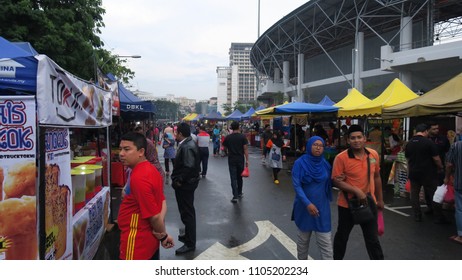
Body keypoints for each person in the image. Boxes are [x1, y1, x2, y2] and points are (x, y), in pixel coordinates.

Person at [117, 132, 174, 260]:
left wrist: (163, 235)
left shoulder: (139, 178)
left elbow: (154, 217)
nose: (121, 153)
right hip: (148, 241)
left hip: (137, 242)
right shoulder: (151, 170)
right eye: (120, 149)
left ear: (141, 151)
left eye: (127, 149)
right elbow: (162, 203)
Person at [331, 124, 384, 260]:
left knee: (373, 240)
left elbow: (377, 177)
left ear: (364, 138)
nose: (356, 140)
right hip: (347, 205)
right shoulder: (341, 158)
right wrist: (356, 191)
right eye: (353, 138)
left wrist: (380, 199)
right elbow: (336, 181)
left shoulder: (373, 155)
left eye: (359, 137)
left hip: (369, 203)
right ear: (348, 140)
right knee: (342, 237)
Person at [291, 136, 333, 260]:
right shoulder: (300, 163)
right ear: (309, 146)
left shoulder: (325, 163)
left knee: (326, 245)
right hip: (304, 208)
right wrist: (307, 204)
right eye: (315, 144)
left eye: (321, 145)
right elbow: (297, 185)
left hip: (322, 209)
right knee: (303, 243)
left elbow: (329, 182)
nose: (318, 147)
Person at [405, 123, 447, 223]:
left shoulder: (409, 143)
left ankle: (417, 215)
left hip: (414, 173)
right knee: (433, 194)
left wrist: (409, 172)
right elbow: (436, 158)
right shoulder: (428, 142)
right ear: (426, 131)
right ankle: (438, 216)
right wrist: (441, 167)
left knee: (414, 195)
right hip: (428, 173)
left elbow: (407, 159)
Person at [171, 123, 201, 254]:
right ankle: (188, 236)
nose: (174, 135)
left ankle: (190, 243)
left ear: (181, 134)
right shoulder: (186, 143)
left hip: (186, 184)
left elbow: (189, 167)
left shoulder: (188, 146)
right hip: (187, 183)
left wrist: (179, 181)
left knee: (187, 212)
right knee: (185, 211)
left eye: (176, 133)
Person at [223, 121, 249, 203]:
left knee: (233, 178)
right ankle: (240, 192)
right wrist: (247, 160)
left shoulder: (228, 137)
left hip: (231, 159)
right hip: (240, 159)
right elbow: (245, 149)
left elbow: (224, 147)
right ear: (238, 127)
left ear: (231, 128)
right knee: (239, 176)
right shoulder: (243, 137)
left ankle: (235, 196)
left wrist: (228, 152)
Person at [445, 141, 462, 245]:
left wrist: (447, 177)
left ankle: (460, 236)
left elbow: (449, 164)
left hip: (460, 182)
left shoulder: (456, 145)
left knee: (460, 209)